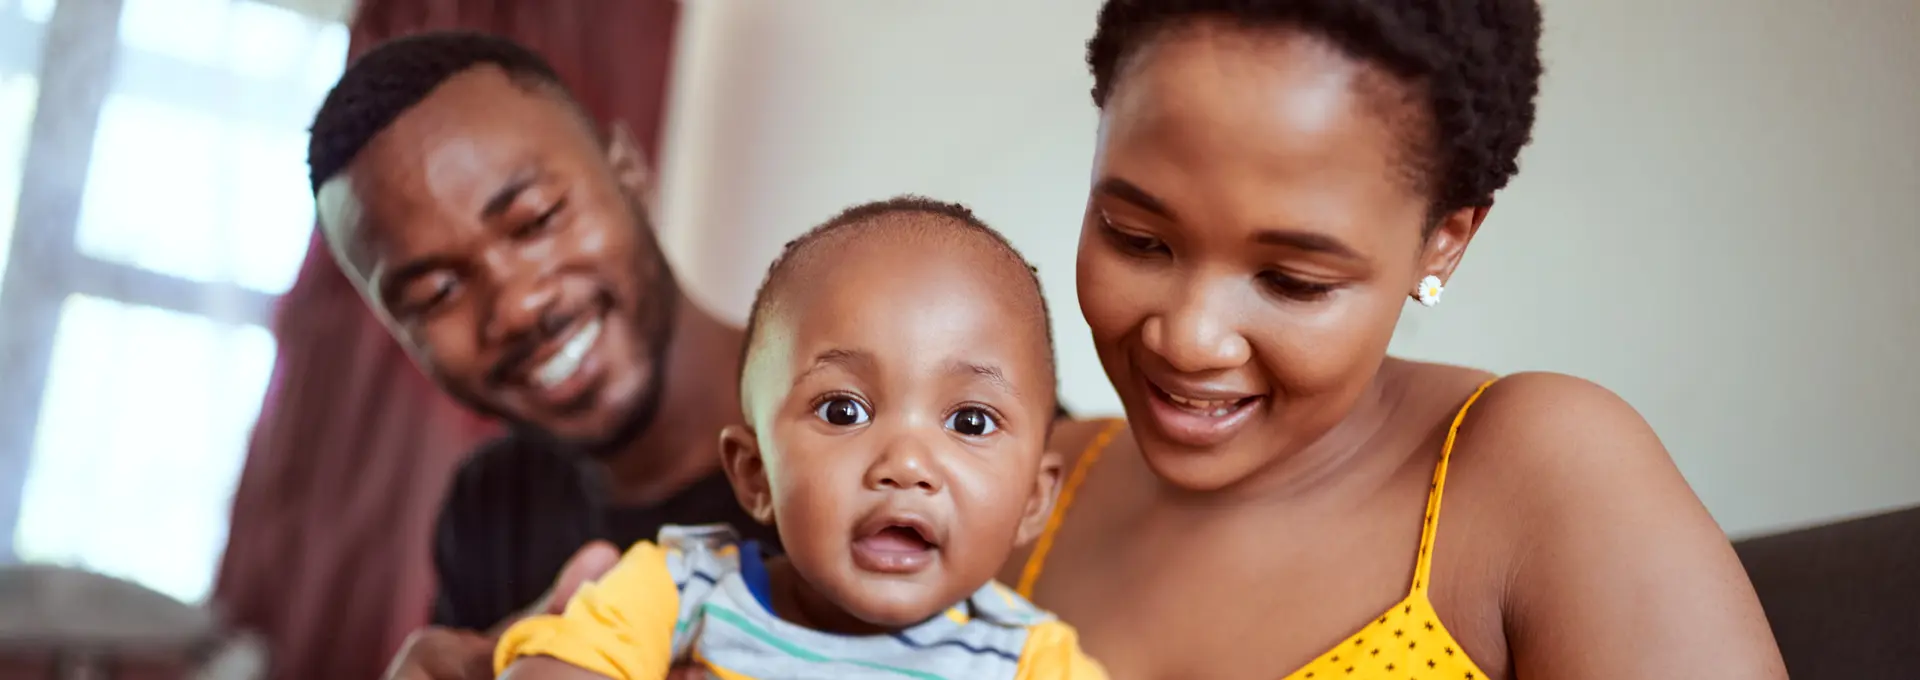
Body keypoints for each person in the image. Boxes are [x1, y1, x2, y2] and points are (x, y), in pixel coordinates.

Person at [999, 0, 1788, 678]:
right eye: (1135, 237)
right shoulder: (1024, 489)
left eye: (1294, 281)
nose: (1191, 338)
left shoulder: (1541, 475)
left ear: (1443, 242)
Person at [306, 32, 778, 677]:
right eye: (437, 292)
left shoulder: (874, 448)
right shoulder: (492, 506)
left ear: (629, 173)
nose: (517, 306)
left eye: (535, 220)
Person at [492, 196, 1104, 679]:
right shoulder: (681, 590)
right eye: (843, 410)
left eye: (969, 422)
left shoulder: (1029, 662)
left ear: (1033, 501)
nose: (907, 463)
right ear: (755, 474)